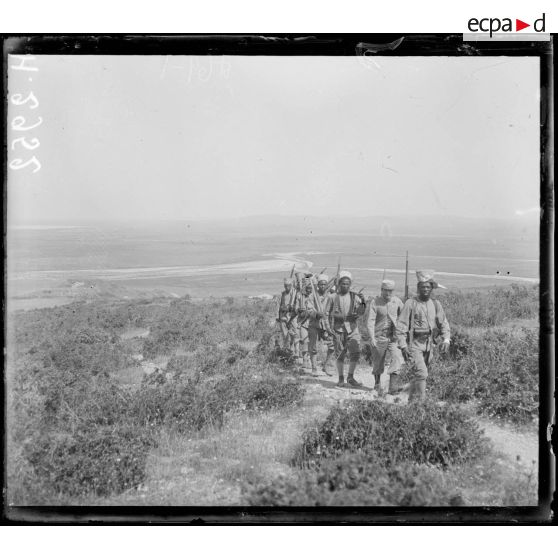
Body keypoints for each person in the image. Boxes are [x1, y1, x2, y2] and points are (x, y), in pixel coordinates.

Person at [395, 270, 451, 402]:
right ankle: (421, 404)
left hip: (429, 345)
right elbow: (401, 325)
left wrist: (446, 339)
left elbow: (443, 322)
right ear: (418, 288)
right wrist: (403, 345)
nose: (425, 289)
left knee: (420, 374)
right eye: (422, 287)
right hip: (414, 344)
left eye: (428, 287)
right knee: (422, 373)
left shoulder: (436, 304)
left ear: (431, 288)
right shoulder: (411, 303)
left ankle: (411, 403)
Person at [362, 279, 404, 394]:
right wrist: (372, 338)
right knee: (378, 361)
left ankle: (393, 387)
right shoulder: (375, 302)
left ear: (393, 291)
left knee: (397, 358)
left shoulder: (397, 302)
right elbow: (370, 321)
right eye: (385, 291)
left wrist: (401, 334)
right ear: (381, 290)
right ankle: (377, 385)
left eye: (390, 291)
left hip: (393, 337)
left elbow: (403, 318)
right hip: (379, 336)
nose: (387, 293)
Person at [327, 270, 367, 387]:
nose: (345, 286)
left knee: (355, 352)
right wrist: (331, 326)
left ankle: (350, 377)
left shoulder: (355, 297)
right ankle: (340, 378)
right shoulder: (333, 297)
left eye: (347, 284)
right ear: (339, 284)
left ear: (350, 285)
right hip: (338, 329)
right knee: (340, 354)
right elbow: (327, 313)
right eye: (343, 283)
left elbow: (361, 312)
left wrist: (363, 302)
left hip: (352, 328)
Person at [307, 274, 334, 375]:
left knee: (332, 345)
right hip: (314, 324)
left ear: (327, 285)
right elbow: (309, 309)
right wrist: (316, 314)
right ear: (318, 285)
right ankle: (314, 368)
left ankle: (326, 366)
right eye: (321, 284)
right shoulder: (312, 296)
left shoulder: (330, 297)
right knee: (313, 347)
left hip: (326, 325)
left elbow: (332, 310)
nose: (322, 286)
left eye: (324, 284)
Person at [295, 281, 314, 369]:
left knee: (312, 342)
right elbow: (295, 309)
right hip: (302, 322)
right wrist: (299, 310)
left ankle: (310, 359)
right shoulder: (300, 297)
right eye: (308, 288)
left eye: (311, 288)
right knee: (304, 341)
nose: (309, 290)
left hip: (313, 322)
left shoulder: (314, 297)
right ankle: (305, 360)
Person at [278, 277, 298, 355]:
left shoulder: (295, 293)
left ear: (291, 285)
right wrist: (280, 316)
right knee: (285, 335)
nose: (287, 287)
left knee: (294, 334)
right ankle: (287, 351)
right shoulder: (283, 294)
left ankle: (294, 351)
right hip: (283, 317)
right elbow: (281, 305)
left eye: (288, 285)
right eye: (285, 285)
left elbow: (296, 307)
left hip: (292, 317)